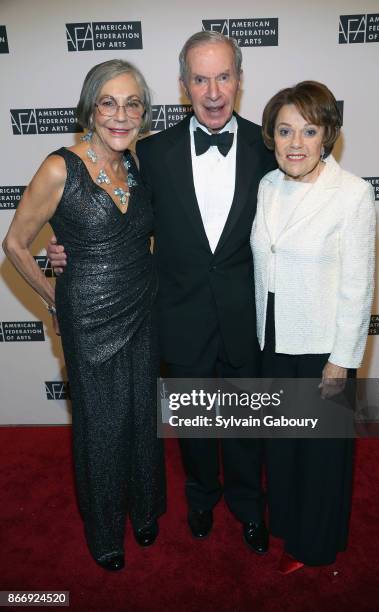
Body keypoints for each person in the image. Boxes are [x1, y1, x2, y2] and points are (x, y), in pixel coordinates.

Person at [48, 31, 277, 553]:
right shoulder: (148, 153)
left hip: (246, 313)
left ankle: (247, 506)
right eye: (200, 78)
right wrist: (64, 251)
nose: (213, 91)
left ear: (239, 81)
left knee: (245, 424)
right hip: (178, 314)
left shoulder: (270, 147)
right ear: (182, 85)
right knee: (194, 425)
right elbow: (104, 210)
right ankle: (202, 499)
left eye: (223, 77)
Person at [3, 59, 166, 571]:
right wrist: (54, 299)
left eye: (132, 103)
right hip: (89, 315)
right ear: (90, 109)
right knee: (100, 425)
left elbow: (143, 237)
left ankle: (143, 508)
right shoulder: (60, 167)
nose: (121, 115)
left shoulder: (136, 163)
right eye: (108, 102)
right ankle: (104, 532)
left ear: (143, 112)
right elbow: (14, 243)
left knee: (142, 414)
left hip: (142, 306)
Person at [250, 80, 376, 572]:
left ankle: (316, 545)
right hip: (275, 337)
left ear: (328, 135)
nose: (295, 143)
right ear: (272, 137)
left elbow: (358, 285)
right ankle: (285, 523)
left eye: (308, 130)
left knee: (321, 454)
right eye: (284, 131)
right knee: (283, 447)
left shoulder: (352, 194)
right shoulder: (267, 186)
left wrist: (342, 360)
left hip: (323, 345)